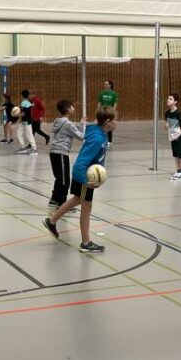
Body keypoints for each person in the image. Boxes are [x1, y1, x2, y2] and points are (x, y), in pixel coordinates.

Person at [42, 108, 114, 253]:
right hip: (84, 176)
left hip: (84, 175)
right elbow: (81, 163)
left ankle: (52, 221)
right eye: (115, 119)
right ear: (107, 122)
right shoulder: (97, 138)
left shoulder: (99, 132)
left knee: (76, 200)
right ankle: (86, 243)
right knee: (87, 207)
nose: (116, 122)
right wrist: (86, 181)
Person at [48, 99, 85, 208]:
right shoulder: (67, 124)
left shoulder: (58, 121)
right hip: (61, 153)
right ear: (68, 109)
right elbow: (80, 136)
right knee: (65, 180)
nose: (74, 108)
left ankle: (54, 199)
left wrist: (81, 124)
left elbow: (73, 129)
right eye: (72, 107)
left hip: (53, 152)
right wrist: (87, 129)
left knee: (59, 178)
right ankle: (62, 203)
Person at [165, 92, 181, 180]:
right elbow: (167, 124)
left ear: (175, 102)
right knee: (176, 154)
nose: (168, 100)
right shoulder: (167, 113)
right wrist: (166, 125)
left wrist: (180, 132)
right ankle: (178, 171)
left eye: (170, 99)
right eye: (168, 98)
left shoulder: (179, 112)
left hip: (179, 137)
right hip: (173, 136)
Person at [97, 79, 118, 143]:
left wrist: (113, 111)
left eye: (106, 84)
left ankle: (109, 141)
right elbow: (99, 102)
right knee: (101, 125)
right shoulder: (102, 93)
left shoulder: (113, 94)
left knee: (109, 125)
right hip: (103, 111)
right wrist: (98, 110)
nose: (105, 85)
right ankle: (102, 139)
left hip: (109, 111)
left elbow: (115, 103)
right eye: (104, 84)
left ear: (110, 85)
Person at [16, 89, 36, 154]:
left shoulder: (25, 103)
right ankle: (23, 147)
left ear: (22, 95)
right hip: (24, 122)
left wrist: (16, 114)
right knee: (19, 133)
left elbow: (23, 113)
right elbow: (23, 112)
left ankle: (34, 149)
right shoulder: (26, 102)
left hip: (27, 122)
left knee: (29, 135)